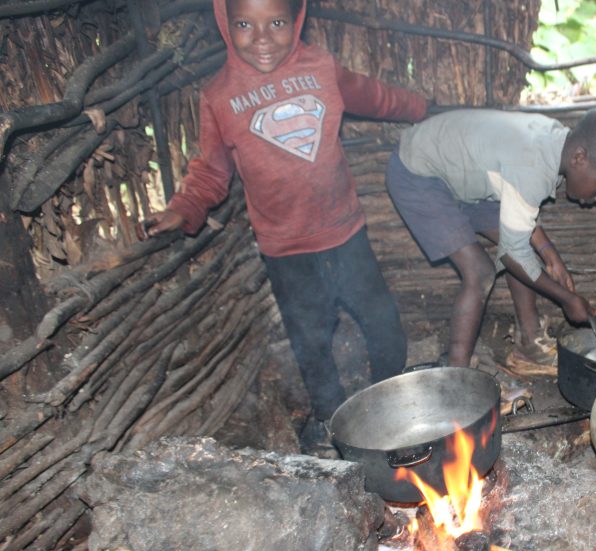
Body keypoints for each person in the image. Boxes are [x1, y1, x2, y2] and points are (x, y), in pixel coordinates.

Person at [137, 0, 428, 452]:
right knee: (310, 338)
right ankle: (330, 420)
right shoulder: (220, 96)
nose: (262, 37)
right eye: (244, 25)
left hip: (345, 231)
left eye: (275, 22)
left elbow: (373, 96)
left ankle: (389, 396)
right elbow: (211, 171)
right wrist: (184, 207)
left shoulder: (321, 67)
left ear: (297, 20)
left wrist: (420, 108)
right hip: (285, 247)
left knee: (382, 320)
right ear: (224, 24)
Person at [385, 106, 596, 372]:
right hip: (419, 172)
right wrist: (566, 299)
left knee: (521, 253)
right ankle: (457, 374)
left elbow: (521, 211)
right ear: (580, 158)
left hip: (468, 175)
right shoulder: (533, 162)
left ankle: (529, 344)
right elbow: (513, 250)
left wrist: (548, 253)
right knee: (482, 271)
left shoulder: (556, 144)